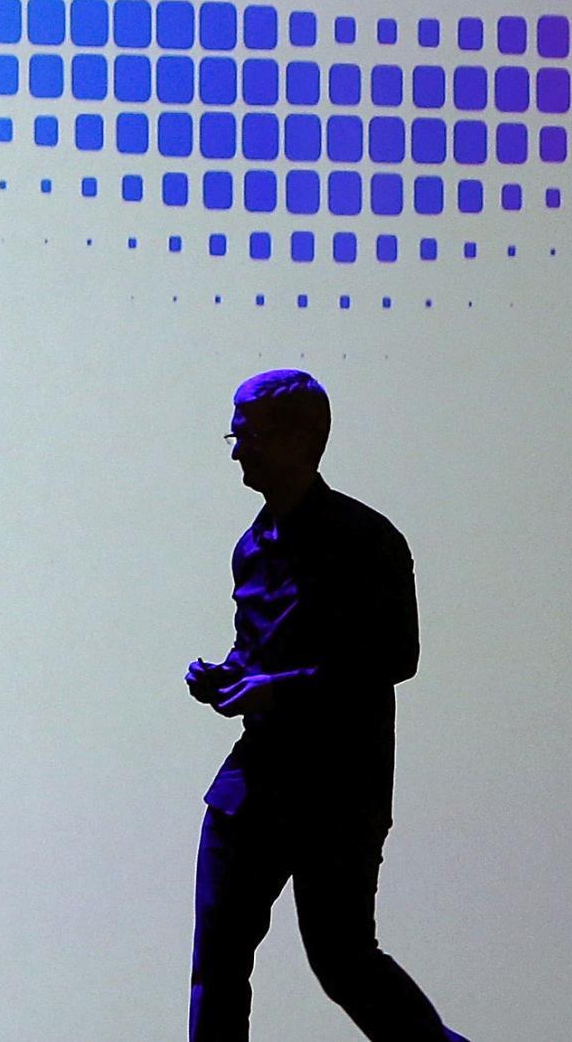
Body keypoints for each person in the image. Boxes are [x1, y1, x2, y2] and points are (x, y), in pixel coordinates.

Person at [183, 368, 472, 1042]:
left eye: (247, 435)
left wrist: (276, 686)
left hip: (339, 789)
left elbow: (396, 656)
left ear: (300, 439)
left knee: (342, 960)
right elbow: (256, 653)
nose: (236, 451)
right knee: (217, 960)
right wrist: (229, 676)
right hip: (255, 782)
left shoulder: (367, 539)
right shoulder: (251, 548)